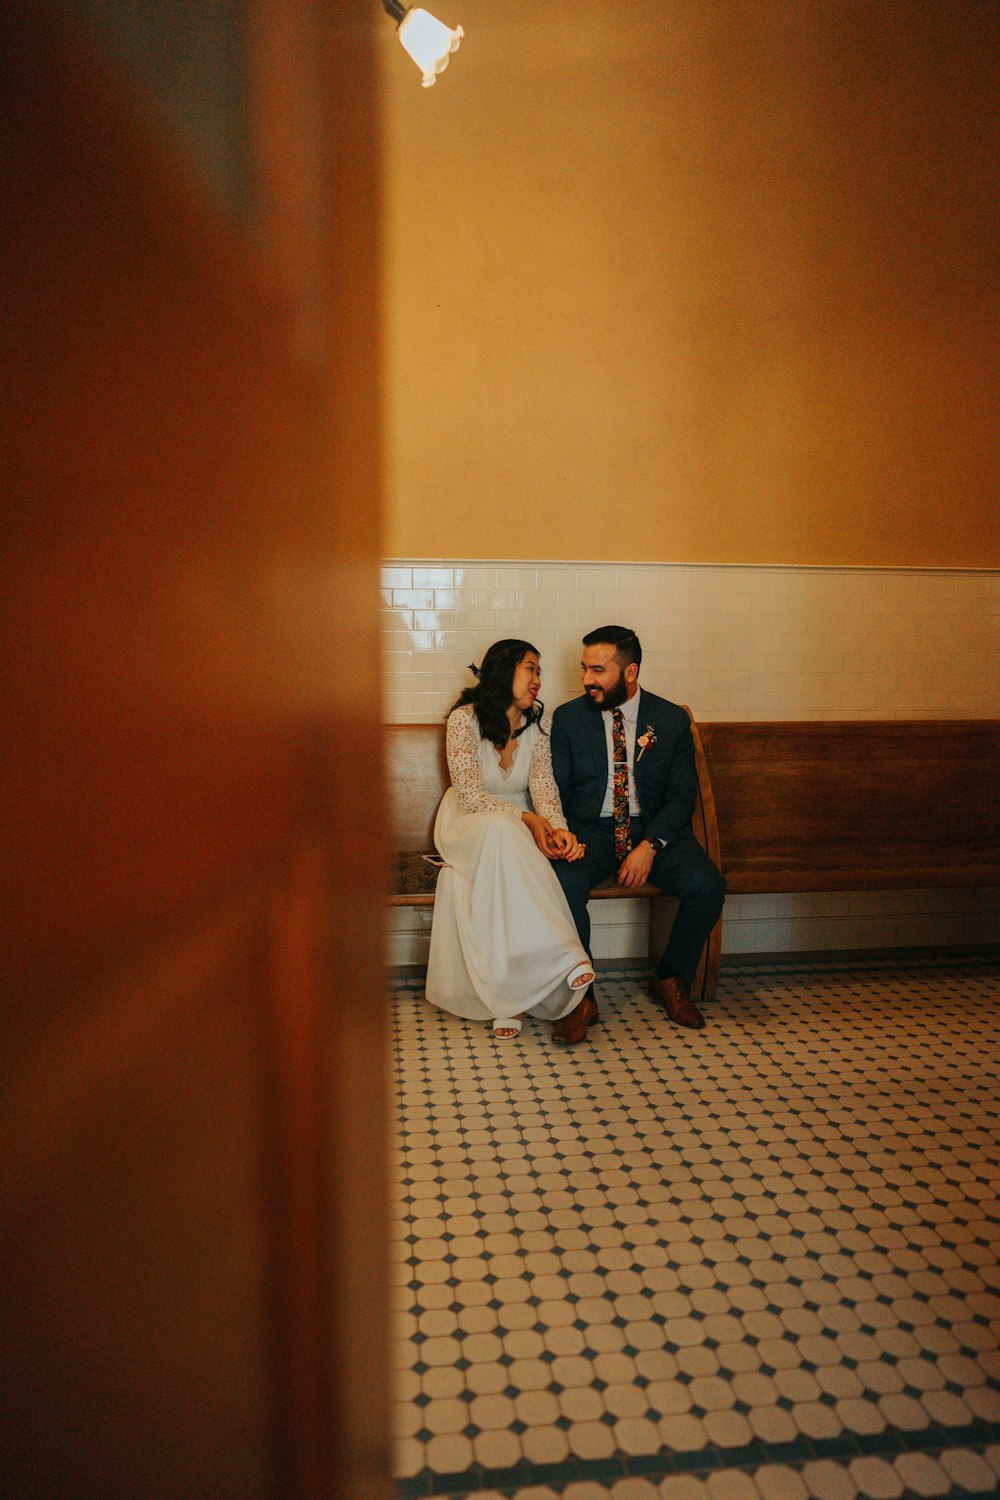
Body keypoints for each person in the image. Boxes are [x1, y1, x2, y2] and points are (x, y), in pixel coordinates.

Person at [550, 626, 725, 1045]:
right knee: (560, 884)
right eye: (583, 669)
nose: (586, 680)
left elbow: (683, 796)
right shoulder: (568, 718)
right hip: (590, 830)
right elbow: (554, 786)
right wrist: (563, 834)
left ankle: (669, 977)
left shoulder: (669, 719)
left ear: (630, 672)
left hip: (654, 830)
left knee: (709, 886)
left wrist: (650, 846)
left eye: (598, 670)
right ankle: (582, 997)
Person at [425, 639, 595, 1039]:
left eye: (539, 671)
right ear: (504, 670)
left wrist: (558, 830)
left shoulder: (539, 723)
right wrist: (528, 820)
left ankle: (508, 998)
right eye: (530, 668)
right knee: (504, 830)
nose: (538, 679)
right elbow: (468, 793)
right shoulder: (463, 721)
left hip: (517, 829)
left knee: (507, 865)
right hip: (467, 823)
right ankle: (566, 956)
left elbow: (544, 787)